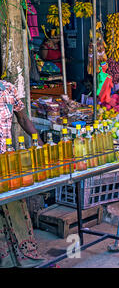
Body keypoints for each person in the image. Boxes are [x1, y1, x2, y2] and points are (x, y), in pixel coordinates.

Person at [0, 80, 44, 268]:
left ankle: (26, 255)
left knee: (15, 204)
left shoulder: (8, 89)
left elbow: (24, 119)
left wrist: (41, 145)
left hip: (7, 160)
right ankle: (6, 259)